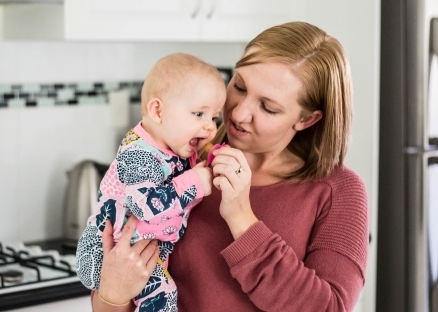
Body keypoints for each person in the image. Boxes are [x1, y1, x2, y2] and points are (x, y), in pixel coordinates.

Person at [91, 21, 369, 312]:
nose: (238, 112)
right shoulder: (180, 161)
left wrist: (241, 216)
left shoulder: (338, 192)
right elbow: (117, 284)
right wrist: (113, 293)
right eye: (239, 85)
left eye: (268, 107)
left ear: (306, 120)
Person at [76, 53, 227, 311]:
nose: (211, 128)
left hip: (144, 251)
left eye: (213, 117)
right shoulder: (140, 154)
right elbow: (145, 205)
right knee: (163, 296)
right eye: (199, 114)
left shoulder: (173, 149)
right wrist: (195, 181)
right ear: (157, 110)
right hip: (121, 252)